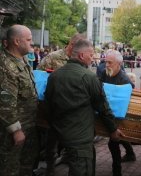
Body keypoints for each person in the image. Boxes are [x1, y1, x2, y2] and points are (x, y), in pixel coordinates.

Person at [44, 39, 124, 176]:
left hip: (59, 132)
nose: (93, 59)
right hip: (80, 138)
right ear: (82, 56)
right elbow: (103, 107)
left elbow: (48, 104)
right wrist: (113, 129)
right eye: (91, 55)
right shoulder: (89, 77)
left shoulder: (54, 76)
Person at [37, 33, 85, 175]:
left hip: (72, 108)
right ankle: (50, 168)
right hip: (54, 107)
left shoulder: (80, 59)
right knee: (51, 141)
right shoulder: (53, 57)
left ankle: (67, 161)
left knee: (70, 142)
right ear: (71, 45)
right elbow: (39, 77)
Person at [0, 24, 39, 176]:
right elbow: (4, 104)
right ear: (17, 41)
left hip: (27, 126)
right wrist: (16, 130)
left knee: (25, 167)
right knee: (10, 168)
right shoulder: (6, 66)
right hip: (13, 132)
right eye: (29, 40)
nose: (32, 42)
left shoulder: (20, 60)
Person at [100, 50, 135, 176]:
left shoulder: (124, 79)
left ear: (118, 64)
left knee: (113, 141)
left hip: (119, 114)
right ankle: (130, 153)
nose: (107, 65)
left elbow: (130, 95)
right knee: (119, 136)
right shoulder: (105, 73)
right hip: (107, 110)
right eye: (106, 62)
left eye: (110, 62)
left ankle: (117, 171)